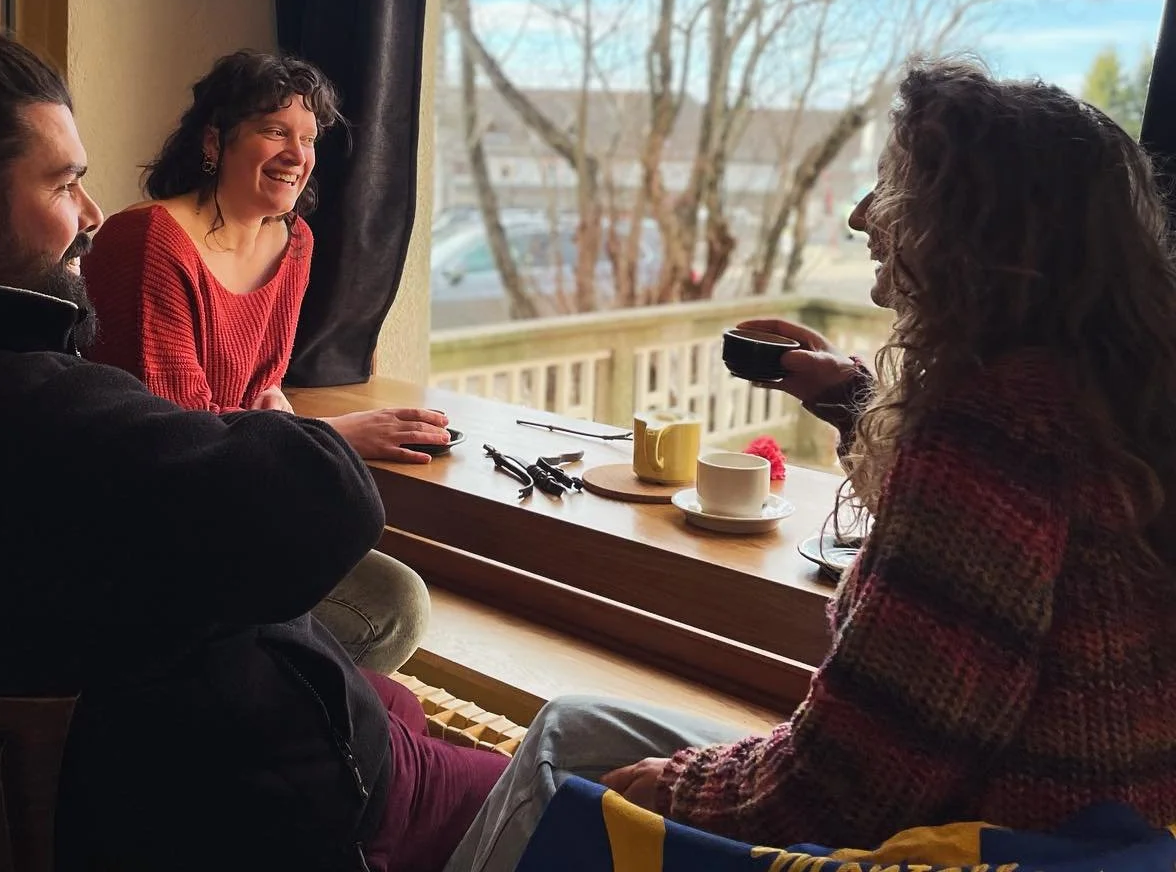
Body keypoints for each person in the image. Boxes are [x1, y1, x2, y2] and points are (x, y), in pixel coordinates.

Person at [0, 22, 505, 872]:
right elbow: (327, 501)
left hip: (98, 778)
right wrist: (275, 427)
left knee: (391, 698)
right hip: (231, 804)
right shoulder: (24, 408)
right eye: (65, 182)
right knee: (543, 779)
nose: (91, 215)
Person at [445, 58, 1176, 872]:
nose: (864, 217)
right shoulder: (1119, 402)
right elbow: (991, 549)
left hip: (969, 843)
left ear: (982, 233)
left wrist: (676, 789)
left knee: (570, 741)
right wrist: (856, 402)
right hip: (1111, 841)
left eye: (895, 190)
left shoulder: (989, 432)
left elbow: (852, 784)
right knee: (579, 724)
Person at [82, 49, 439, 673]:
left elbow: (262, 390)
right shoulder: (146, 240)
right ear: (216, 141)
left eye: (308, 138)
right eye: (275, 131)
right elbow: (175, 435)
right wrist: (323, 435)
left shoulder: (293, 240)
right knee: (377, 607)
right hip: (147, 529)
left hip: (235, 498)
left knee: (398, 599)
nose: (297, 155)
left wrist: (279, 421)